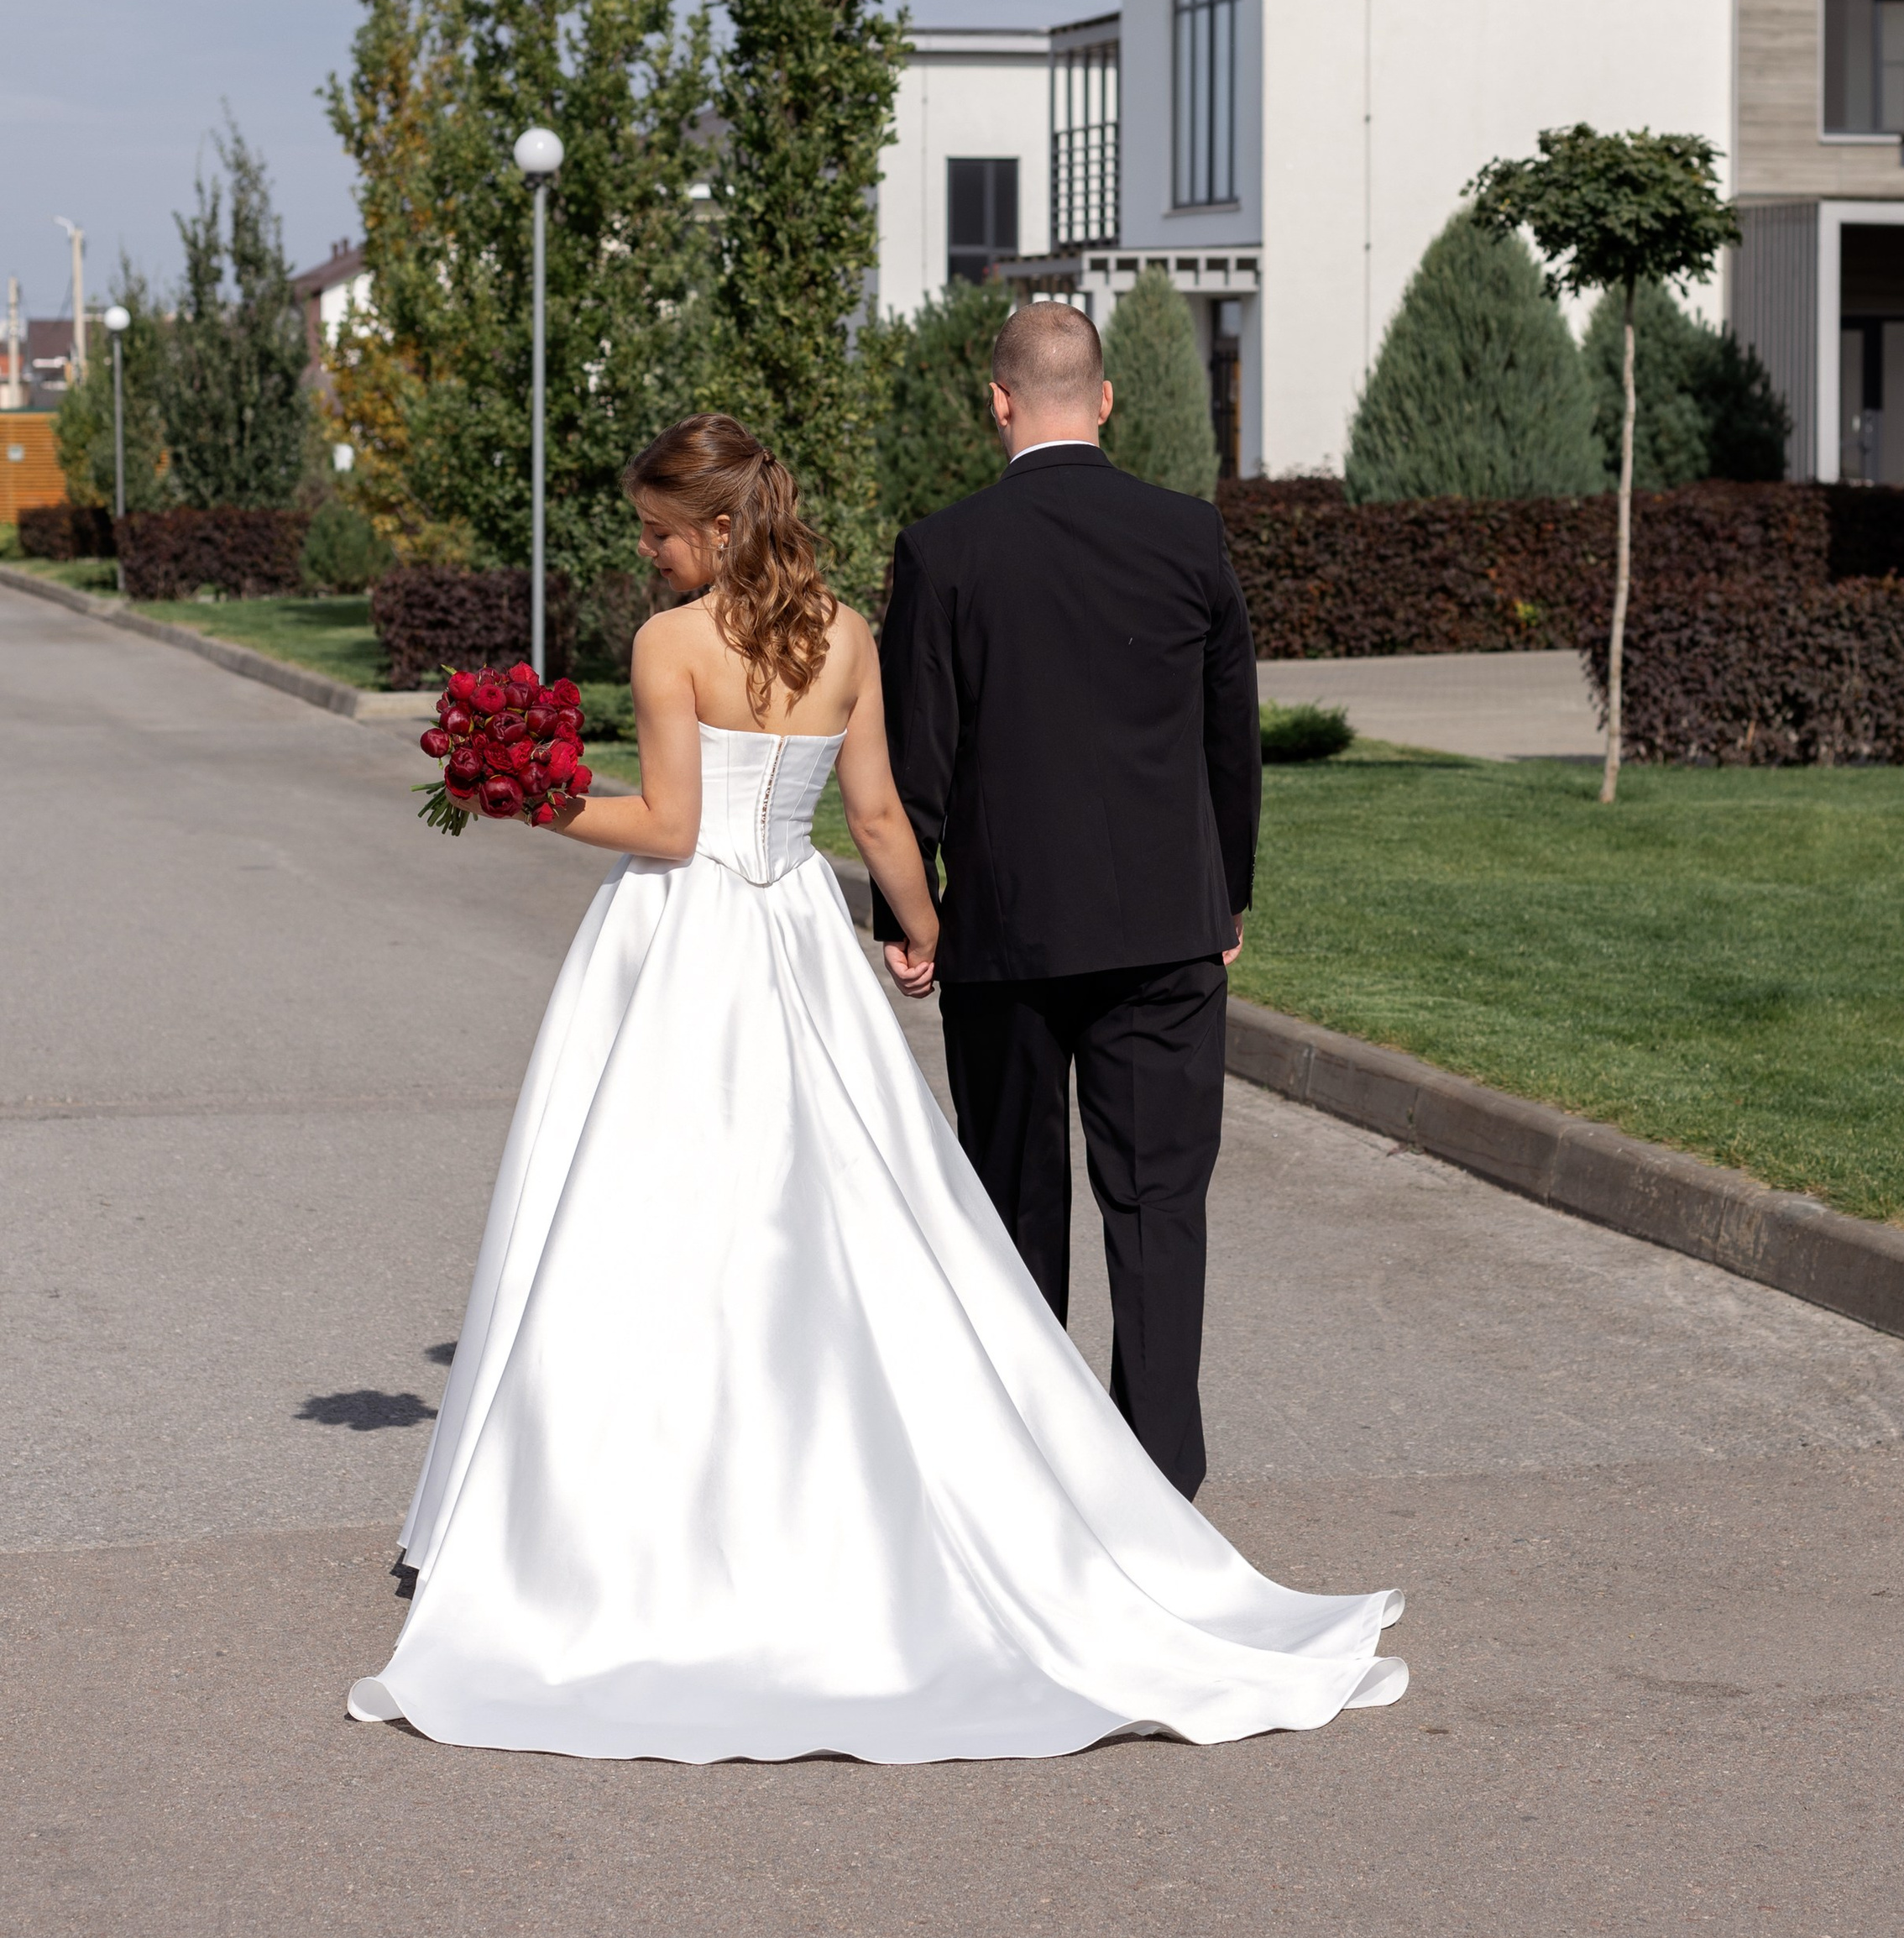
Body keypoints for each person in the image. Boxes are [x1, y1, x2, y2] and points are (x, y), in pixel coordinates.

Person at [348, 412, 1403, 1763]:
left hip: (684, 943)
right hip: (797, 931)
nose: (647, 553)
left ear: (716, 527)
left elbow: (669, 825)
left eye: (658, 532)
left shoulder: (671, 646)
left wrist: (533, 796)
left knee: (647, 1207)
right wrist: (923, 927)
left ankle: (634, 1512)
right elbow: (883, 815)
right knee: (845, 1206)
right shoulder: (843, 634)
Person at [874, 301, 1257, 1500]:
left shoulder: (943, 550)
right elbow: (1229, 737)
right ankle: (1160, 1486)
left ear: (998, 402)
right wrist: (1229, 895)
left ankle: (1031, 1480)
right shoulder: (1189, 533)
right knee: (1159, 1209)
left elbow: (916, 756)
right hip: (1168, 928)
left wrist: (908, 918)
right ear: (1105, 399)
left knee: (1013, 1206)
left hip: (1007, 935)